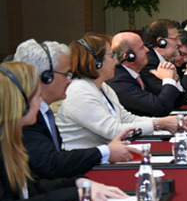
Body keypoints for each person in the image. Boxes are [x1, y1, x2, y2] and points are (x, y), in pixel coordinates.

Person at [0, 61, 128, 201]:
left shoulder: (11, 141)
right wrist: (71, 195)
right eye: (37, 96)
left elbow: (30, 188)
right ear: (21, 104)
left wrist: (77, 183)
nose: (41, 104)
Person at [14, 39, 138, 179]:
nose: (69, 80)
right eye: (66, 74)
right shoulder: (25, 117)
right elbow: (50, 164)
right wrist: (105, 152)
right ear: (46, 78)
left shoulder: (43, 113)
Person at [56, 34, 187, 150]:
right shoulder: (79, 91)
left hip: (106, 158)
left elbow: (126, 118)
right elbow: (113, 131)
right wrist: (159, 124)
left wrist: (165, 121)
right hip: (86, 168)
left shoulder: (103, 87)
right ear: (97, 63)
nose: (116, 62)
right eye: (112, 57)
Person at [106, 32, 181, 117]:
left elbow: (170, 101)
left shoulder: (139, 73)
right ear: (130, 57)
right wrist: (168, 79)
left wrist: (174, 79)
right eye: (141, 48)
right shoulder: (119, 81)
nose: (147, 50)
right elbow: (159, 108)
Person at [141, 19, 187, 104]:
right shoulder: (148, 63)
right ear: (161, 42)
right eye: (176, 39)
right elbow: (173, 100)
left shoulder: (165, 60)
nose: (179, 42)